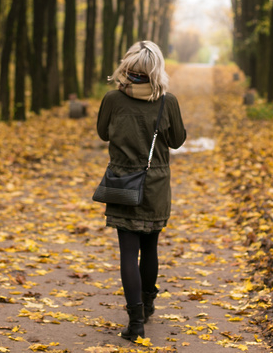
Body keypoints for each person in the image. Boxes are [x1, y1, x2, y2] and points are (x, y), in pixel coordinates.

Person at [96, 40, 187, 342]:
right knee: (150, 248)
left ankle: (135, 322)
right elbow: (177, 141)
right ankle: (147, 305)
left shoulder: (112, 99)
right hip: (156, 184)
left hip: (123, 183)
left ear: (127, 67)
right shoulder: (167, 101)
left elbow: (102, 132)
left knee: (127, 252)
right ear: (157, 69)